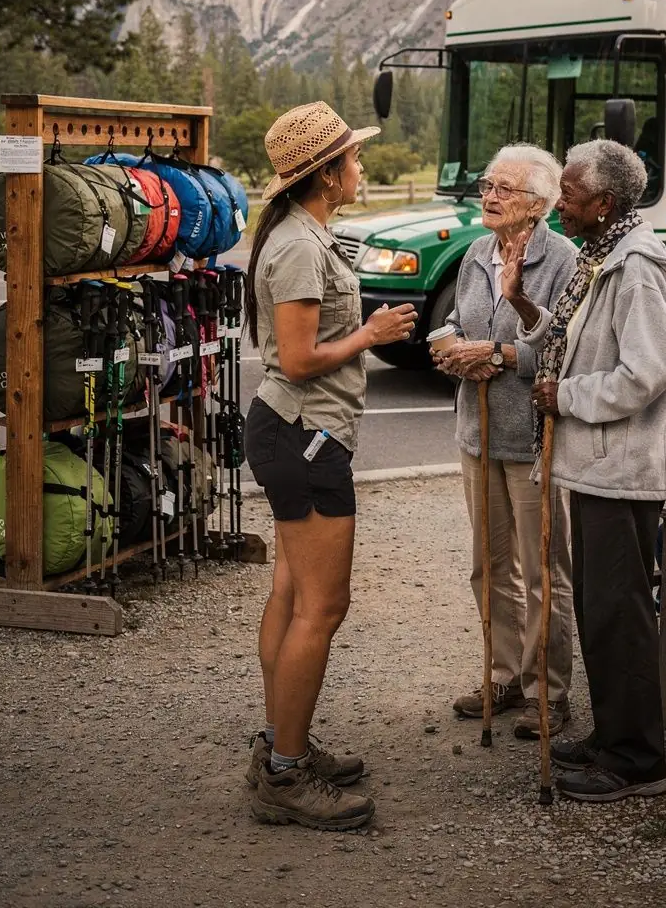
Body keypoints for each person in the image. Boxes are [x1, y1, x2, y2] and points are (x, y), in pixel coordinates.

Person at [242, 102, 418, 831]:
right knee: (324, 606)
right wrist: (373, 334)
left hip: (296, 433)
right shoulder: (300, 248)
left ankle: (284, 744)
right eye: (352, 156)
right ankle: (285, 773)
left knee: (291, 593)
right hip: (306, 435)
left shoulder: (302, 233)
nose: (361, 165)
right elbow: (297, 358)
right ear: (324, 174)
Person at [530, 139, 666, 803]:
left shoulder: (637, 270)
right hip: (597, 466)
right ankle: (611, 736)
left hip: (622, 469)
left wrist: (564, 397)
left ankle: (636, 759)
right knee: (600, 611)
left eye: (569, 193)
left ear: (605, 203)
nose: (558, 202)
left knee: (620, 615)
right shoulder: (599, 257)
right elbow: (573, 338)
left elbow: (647, 373)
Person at [433, 145, 577, 738]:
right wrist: (448, 348)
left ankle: (549, 688)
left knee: (544, 567)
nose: (489, 196)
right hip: (478, 431)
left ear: (539, 204)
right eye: (488, 185)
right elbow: (456, 325)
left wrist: (501, 354)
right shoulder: (474, 253)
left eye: (505, 189)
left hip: (534, 438)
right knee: (487, 565)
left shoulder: (563, 260)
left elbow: (567, 348)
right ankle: (504, 675)